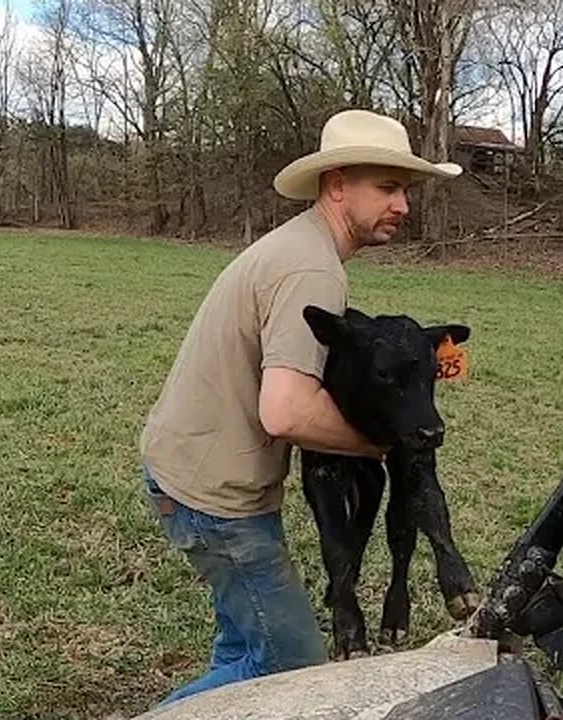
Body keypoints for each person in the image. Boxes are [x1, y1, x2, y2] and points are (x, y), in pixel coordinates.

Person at [138, 108, 462, 705]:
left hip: (190, 472)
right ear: (338, 184)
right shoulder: (312, 269)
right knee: (290, 671)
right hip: (216, 500)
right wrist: (390, 445)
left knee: (241, 653)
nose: (404, 207)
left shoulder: (303, 249)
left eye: (406, 192)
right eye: (388, 188)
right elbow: (286, 413)